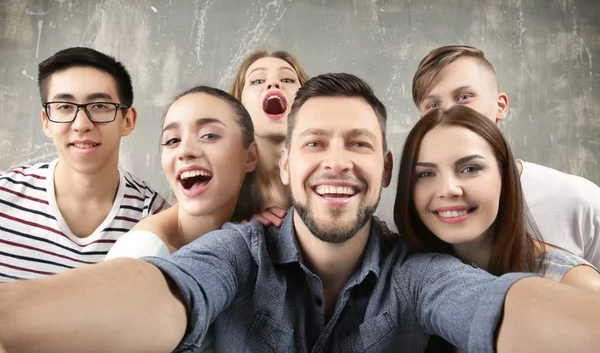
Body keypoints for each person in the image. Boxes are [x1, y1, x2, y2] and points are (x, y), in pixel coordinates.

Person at [1, 73, 600, 353]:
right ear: (284, 165)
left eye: (358, 143)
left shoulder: (419, 273)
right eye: (315, 143)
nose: (335, 162)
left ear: (387, 169)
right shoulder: (236, 250)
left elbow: (493, 310)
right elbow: (166, 294)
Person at [394, 105, 600, 352]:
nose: (448, 189)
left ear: (504, 174)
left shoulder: (578, 285)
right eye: (426, 173)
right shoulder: (398, 273)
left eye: (470, 169)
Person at [411, 45, 600, 269]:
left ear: (500, 106)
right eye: (433, 105)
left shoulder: (580, 200)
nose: (451, 113)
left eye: (464, 97)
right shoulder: (416, 208)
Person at [0, 47, 167, 282]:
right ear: (46, 122)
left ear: (127, 121)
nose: (81, 125)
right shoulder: (4, 197)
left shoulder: (155, 217)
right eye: (65, 107)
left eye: (99, 106)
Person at [105, 86, 260, 259]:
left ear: (250, 157)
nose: (184, 150)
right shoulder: (144, 253)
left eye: (209, 135)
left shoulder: (254, 230)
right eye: (173, 140)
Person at [229, 50, 309, 224]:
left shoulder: (328, 177)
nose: (273, 84)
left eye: (287, 80)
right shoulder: (222, 184)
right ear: (239, 105)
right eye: (257, 81)